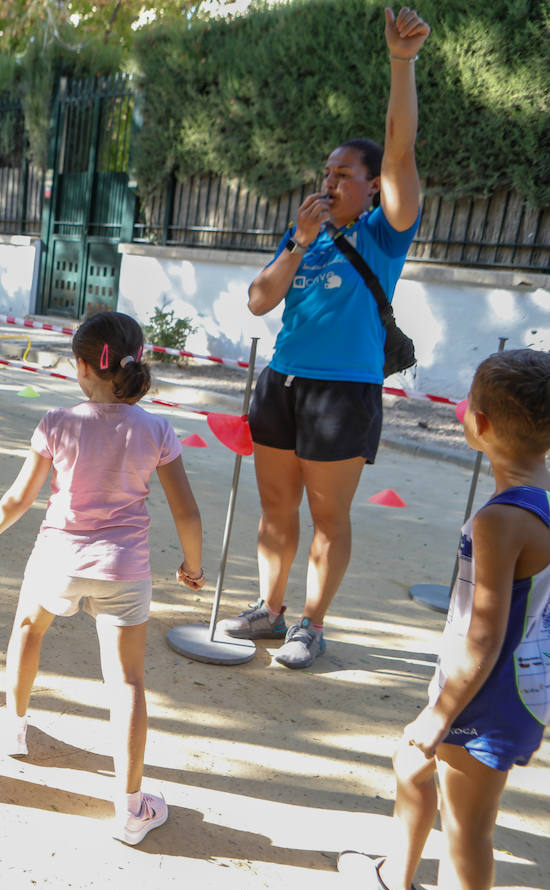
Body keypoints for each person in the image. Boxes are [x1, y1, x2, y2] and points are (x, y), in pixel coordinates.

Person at [220, 7, 430, 669]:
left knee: (327, 514)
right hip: (282, 382)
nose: (330, 182)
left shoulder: (383, 232)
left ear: (372, 188)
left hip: (345, 390)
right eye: (327, 172)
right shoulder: (303, 231)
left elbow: (399, 148)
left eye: (345, 175)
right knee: (275, 505)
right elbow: (259, 301)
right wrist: (298, 244)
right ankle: (270, 609)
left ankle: (312, 624)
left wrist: (401, 63)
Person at [0, 310, 205, 846]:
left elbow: (20, 497)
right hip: (124, 570)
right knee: (127, 682)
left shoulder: (57, 422)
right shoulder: (158, 429)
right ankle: (130, 808)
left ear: (82, 367)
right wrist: (192, 567)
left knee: (27, 631)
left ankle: (15, 725)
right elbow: (187, 513)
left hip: (58, 558)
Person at [341, 348, 550, 890]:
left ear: (477, 424)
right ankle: (394, 876)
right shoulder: (542, 503)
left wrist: (440, 714)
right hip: (512, 690)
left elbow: (483, 636)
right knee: (410, 765)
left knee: (467, 833)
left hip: (483, 697)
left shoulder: (500, 522)